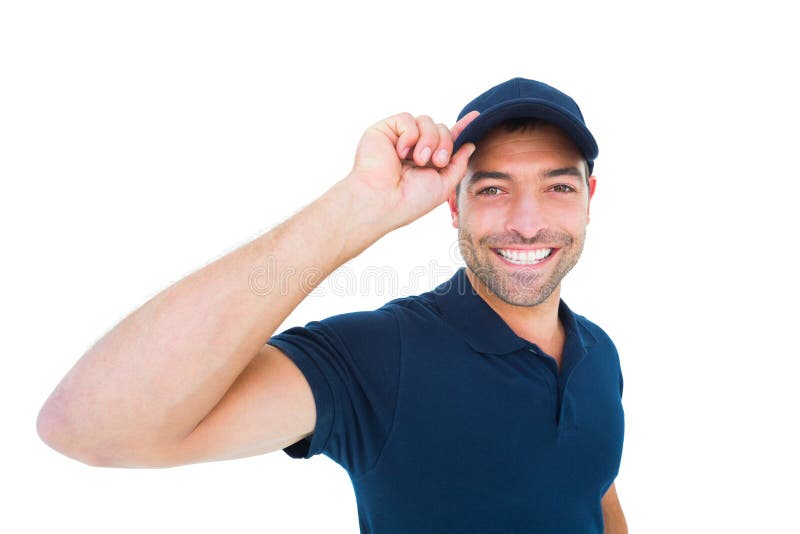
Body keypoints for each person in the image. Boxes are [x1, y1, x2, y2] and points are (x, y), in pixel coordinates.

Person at [37, 77, 627, 533]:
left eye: (559, 187)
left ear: (589, 199)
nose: (528, 223)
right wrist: (358, 205)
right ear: (454, 206)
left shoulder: (598, 351)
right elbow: (88, 428)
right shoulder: (383, 358)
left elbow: (593, 490)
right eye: (493, 188)